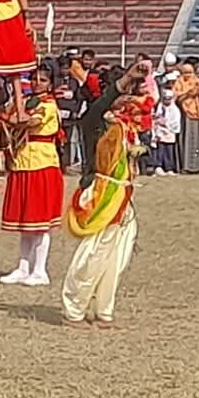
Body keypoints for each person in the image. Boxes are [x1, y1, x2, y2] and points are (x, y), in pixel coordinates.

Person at [61, 102, 140, 327]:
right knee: (94, 252)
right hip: (104, 195)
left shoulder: (127, 129)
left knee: (118, 256)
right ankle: (74, 308)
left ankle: (104, 309)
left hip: (123, 195)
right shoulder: (98, 124)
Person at [0, 65, 63, 285]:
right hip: (21, 162)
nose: (37, 83)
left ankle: (40, 269)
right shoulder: (24, 101)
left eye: (43, 80)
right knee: (25, 222)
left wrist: (6, 115)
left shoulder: (49, 106)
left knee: (40, 222)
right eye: (34, 79)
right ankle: (23, 266)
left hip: (42, 164)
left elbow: (29, 122)